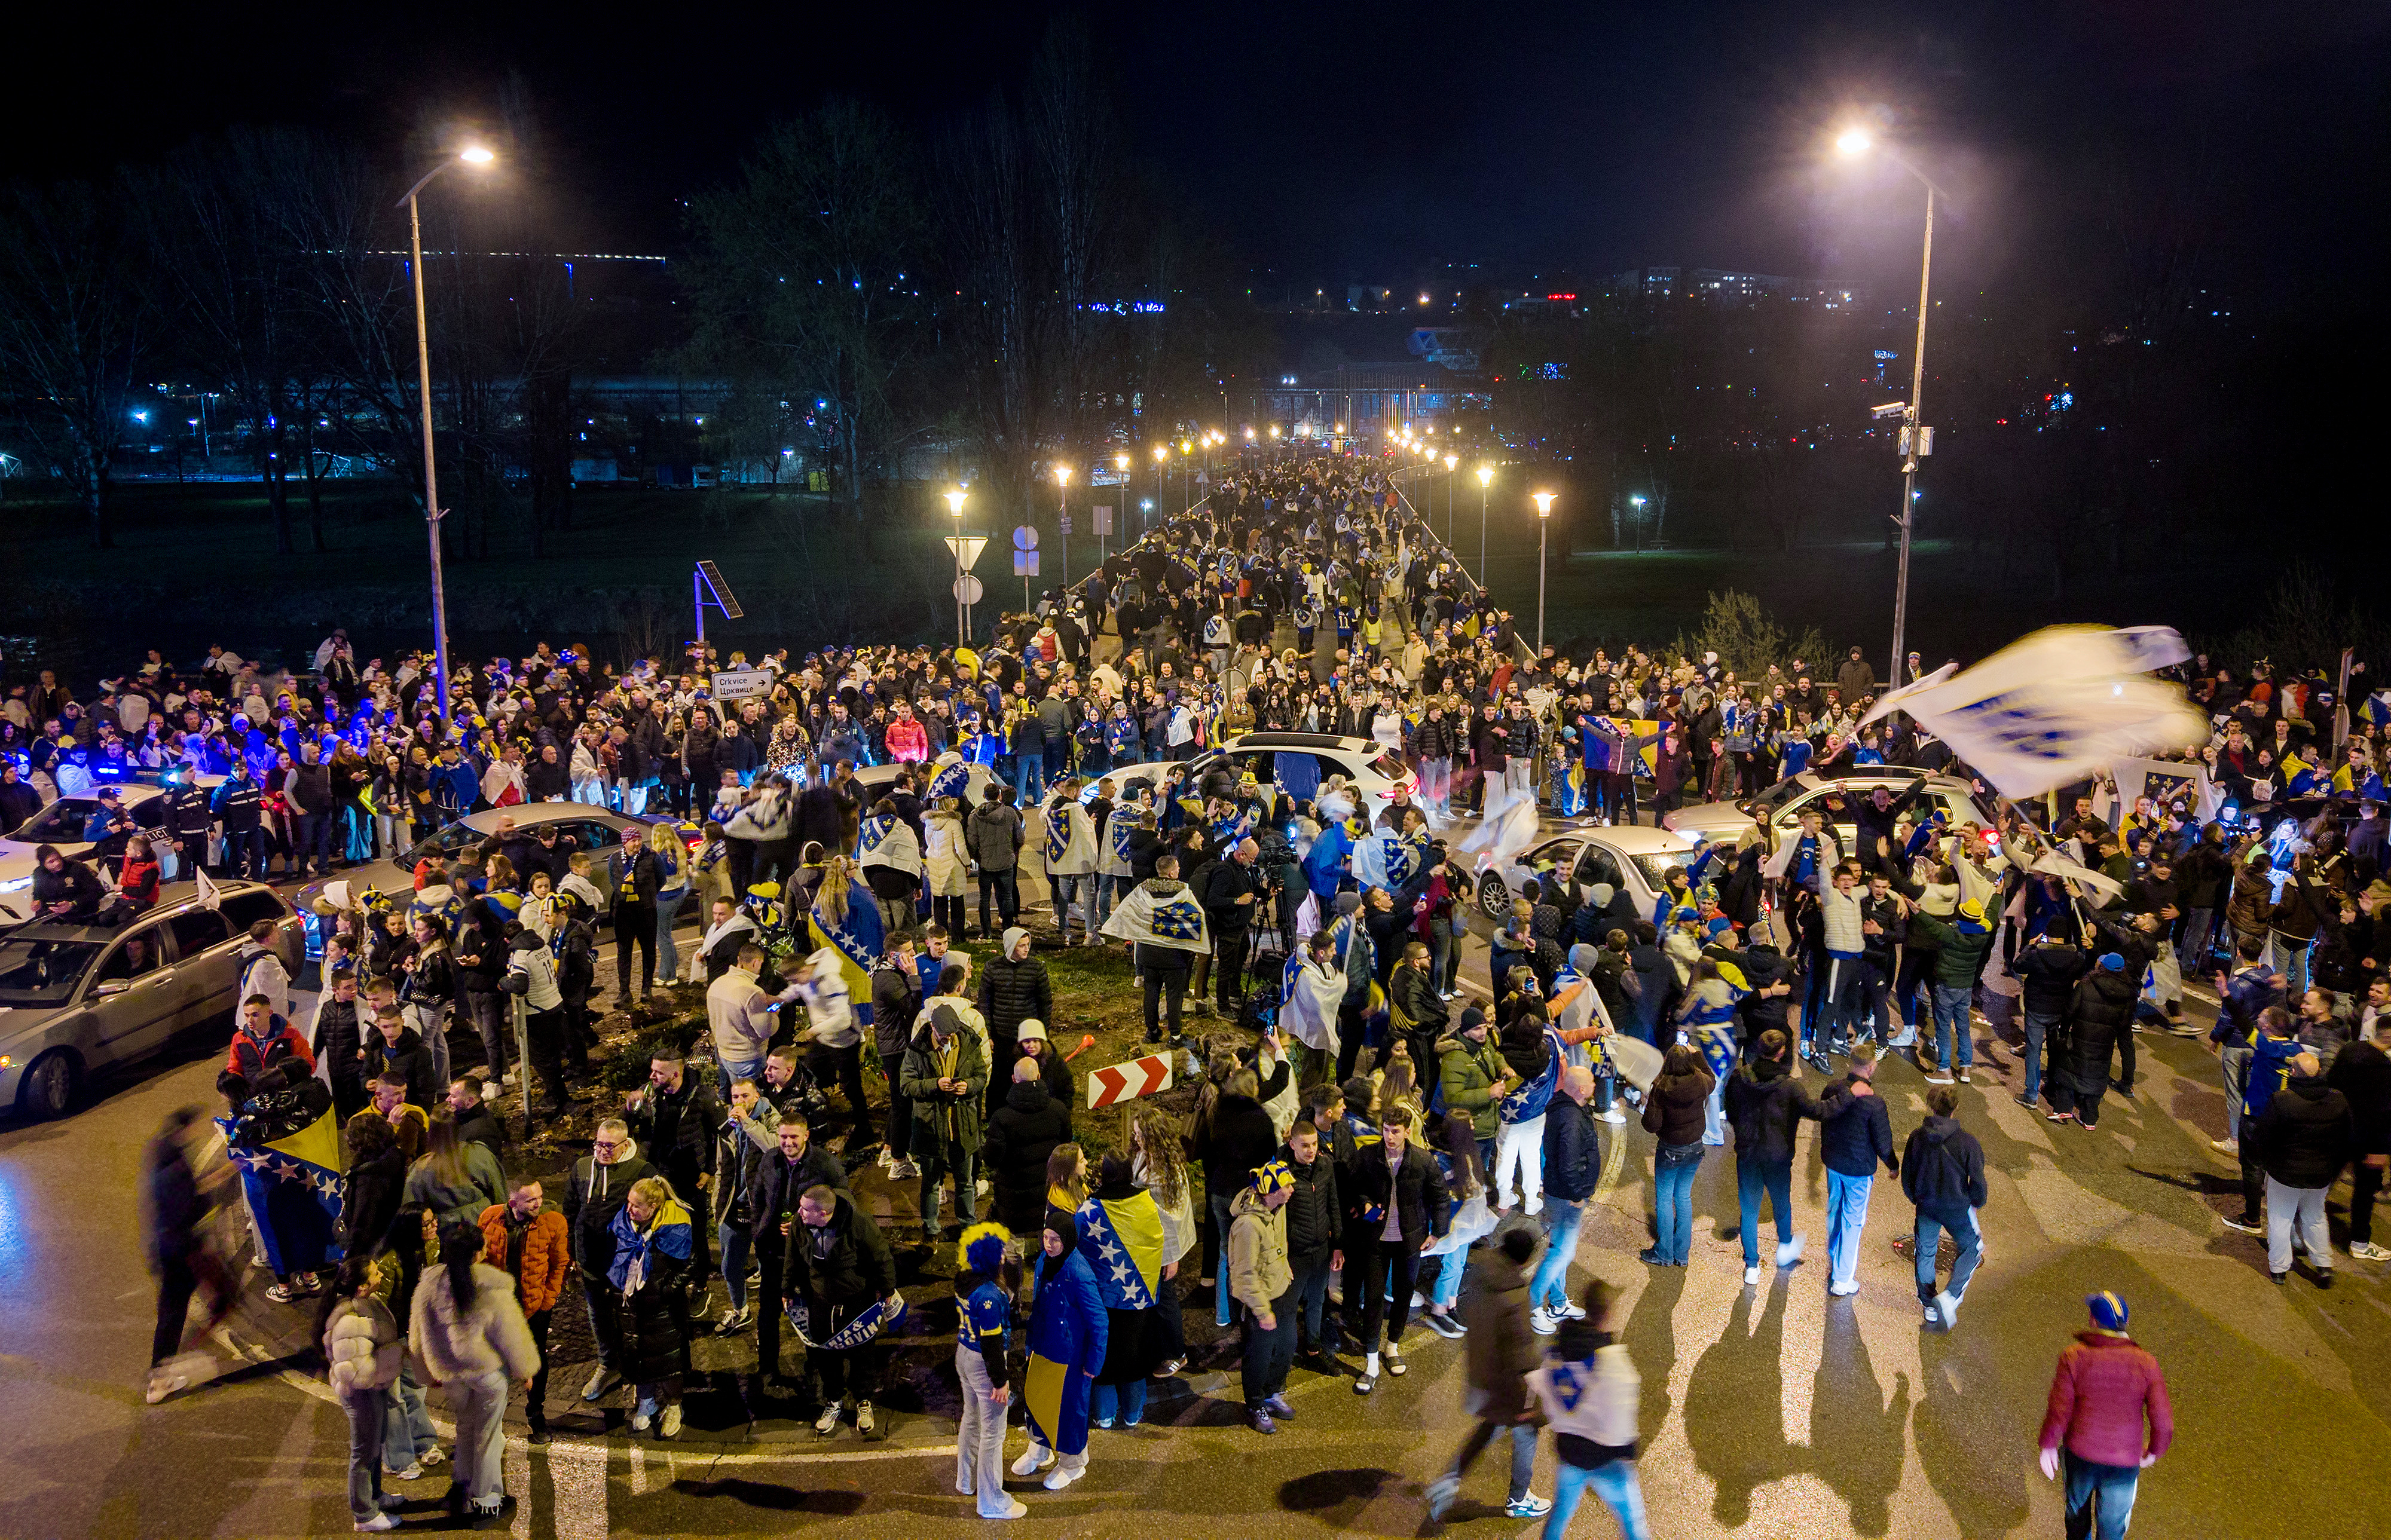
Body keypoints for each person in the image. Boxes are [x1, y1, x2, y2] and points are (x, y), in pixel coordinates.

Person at [409, 1221, 540, 1521]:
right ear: (479, 1252)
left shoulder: (429, 1284)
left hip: (450, 1374)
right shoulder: (492, 1286)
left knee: (465, 1428)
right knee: (490, 1434)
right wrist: (526, 1369)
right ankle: (488, 1497)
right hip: (486, 1374)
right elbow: (510, 1335)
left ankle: (461, 1486)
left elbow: (418, 1335)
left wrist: (426, 1373)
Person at [1426, 1224, 1551, 1523]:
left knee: (1488, 1428)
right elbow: (1524, 1357)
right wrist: (1530, 1402)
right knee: (1527, 1433)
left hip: (1482, 1375)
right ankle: (1519, 1498)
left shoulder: (1481, 1275)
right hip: (1510, 1387)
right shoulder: (1515, 1295)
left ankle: (1449, 1480)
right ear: (1525, 1259)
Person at [2037, 1291, 2173, 1540]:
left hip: (2080, 1455)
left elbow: (2060, 1408)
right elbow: (2163, 1420)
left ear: (2093, 1321)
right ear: (2127, 1324)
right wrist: (2154, 1451)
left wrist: (2048, 1445)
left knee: (2077, 1516)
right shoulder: (2145, 1363)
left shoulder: (2074, 1356)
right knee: (2112, 1526)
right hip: (2123, 1463)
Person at [1342, 1104, 1450, 1395]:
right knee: (1375, 1298)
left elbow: (1441, 1196)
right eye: (1386, 1130)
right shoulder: (1368, 1157)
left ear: (1407, 1131)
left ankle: (1393, 1346)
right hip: (1375, 1240)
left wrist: (1438, 1232)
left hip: (1409, 1240)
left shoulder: (1423, 1161)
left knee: (1403, 1296)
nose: (1389, 1137)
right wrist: (1365, 1202)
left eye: (1395, 1131)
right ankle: (1372, 1361)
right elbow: (1353, 1188)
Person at [1528, 1279, 1649, 1540]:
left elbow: (1544, 1388)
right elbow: (1621, 1422)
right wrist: (1628, 1452)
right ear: (1609, 1313)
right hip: (1607, 1460)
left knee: (1560, 1513)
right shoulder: (1614, 1363)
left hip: (1570, 1453)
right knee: (1632, 1522)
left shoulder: (1557, 1353)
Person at [782, 1181, 897, 1438]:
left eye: (805, 1209)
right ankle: (833, 1401)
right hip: (820, 1301)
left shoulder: (859, 1224)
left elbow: (881, 1257)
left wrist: (887, 1289)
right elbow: (792, 1258)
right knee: (825, 1355)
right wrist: (787, 1290)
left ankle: (863, 1401)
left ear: (823, 1213)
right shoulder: (800, 1225)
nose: (798, 1213)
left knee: (862, 1355)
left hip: (857, 1301)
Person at [145, 1107, 237, 1403]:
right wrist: (208, 1197)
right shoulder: (177, 1169)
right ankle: (164, 1375)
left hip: (166, 1249)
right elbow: (189, 1209)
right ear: (181, 1131)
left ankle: (160, 1377)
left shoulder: (160, 1160)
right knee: (209, 1299)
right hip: (185, 1250)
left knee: (171, 1311)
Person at [1013, 1207, 1108, 1490]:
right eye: (1045, 1237)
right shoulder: (1044, 1261)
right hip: (1043, 1349)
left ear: (1068, 1240)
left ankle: (1072, 1463)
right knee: (1038, 1401)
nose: (1049, 1244)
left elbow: (1099, 1321)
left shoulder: (1079, 1273)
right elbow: (1039, 1308)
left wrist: (1093, 1363)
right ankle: (1039, 1450)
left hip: (1071, 1359)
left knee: (1070, 1412)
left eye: (1056, 1239)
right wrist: (1030, 1344)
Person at [565, 1119, 656, 1403]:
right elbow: (570, 1211)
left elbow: (655, 1211)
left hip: (624, 1259)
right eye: (598, 1144)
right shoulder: (582, 1167)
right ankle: (608, 1364)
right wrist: (570, 1252)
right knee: (598, 1314)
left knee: (633, 1313)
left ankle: (638, 1371)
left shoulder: (641, 1170)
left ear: (625, 1144)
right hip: (589, 1255)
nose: (602, 1151)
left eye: (609, 1146)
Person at [1724, 1028, 1823, 1285]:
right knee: (1782, 1204)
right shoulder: (1790, 1086)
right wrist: (1843, 1098)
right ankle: (1785, 1248)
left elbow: (1732, 1113)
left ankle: (1752, 1266)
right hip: (1778, 1157)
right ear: (1781, 1053)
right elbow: (1814, 1111)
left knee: (1749, 1211)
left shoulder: (1739, 1078)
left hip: (1748, 1153)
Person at [1081, 1151, 1170, 1429]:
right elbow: (1156, 1241)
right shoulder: (1147, 1203)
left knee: (1104, 1359)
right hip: (1139, 1299)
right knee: (1134, 1358)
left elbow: (1080, 1253)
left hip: (1102, 1300)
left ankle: (1104, 1416)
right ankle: (1133, 1414)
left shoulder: (1089, 1212)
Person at [476, 1180, 568, 1445]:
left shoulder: (553, 1223)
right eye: (531, 1200)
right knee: (496, 1361)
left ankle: (536, 1414)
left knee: (537, 1360)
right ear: (513, 1202)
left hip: (535, 1307)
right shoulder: (490, 1217)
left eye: (540, 1196)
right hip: (500, 1307)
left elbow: (559, 1263)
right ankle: (495, 1420)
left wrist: (548, 1300)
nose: (538, 1203)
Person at [2251, 1049, 2353, 1286]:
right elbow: (2347, 1138)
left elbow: (2263, 1137)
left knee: (2280, 1218)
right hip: (2320, 1175)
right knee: (2315, 1217)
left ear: (2294, 1072)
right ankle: (2324, 1265)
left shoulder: (2283, 1101)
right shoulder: (2338, 1100)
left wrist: (2268, 1161)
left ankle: (2279, 1268)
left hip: (2285, 1173)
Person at [322, 1257, 406, 1532]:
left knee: (374, 1446)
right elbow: (354, 1373)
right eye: (375, 1272)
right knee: (363, 1453)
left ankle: (374, 1496)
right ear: (362, 1286)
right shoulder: (350, 1322)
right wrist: (387, 1364)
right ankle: (364, 1515)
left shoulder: (367, 1304)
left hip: (373, 1391)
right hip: (363, 1394)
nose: (381, 1274)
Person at [625, 1052, 720, 1291]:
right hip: (657, 1171)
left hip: (690, 1174)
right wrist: (630, 1108)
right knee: (657, 1223)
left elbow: (717, 1134)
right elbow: (625, 1127)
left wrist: (709, 1169)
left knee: (695, 1229)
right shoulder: (648, 1093)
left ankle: (700, 1285)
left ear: (675, 1074)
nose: (652, 1076)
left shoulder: (702, 1096)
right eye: (652, 1070)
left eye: (658, 1073)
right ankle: (665, 1278)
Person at [609, 1175, 695, 1438]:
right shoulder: (624, 1223)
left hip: (663, 1308)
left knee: (668, 1359)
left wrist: (665, 1289)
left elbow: (690, 1264)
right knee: (637, 1354)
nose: (629, 1209)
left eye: (636, 1205)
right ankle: (646, 1401)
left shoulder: (676, 1226)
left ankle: (673, 1406)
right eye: (628, 1203)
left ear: (654, 1207)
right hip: (631, 1303)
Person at [953, 1222, 1028, 1520]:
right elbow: (992, 1342)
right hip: (985, 1364)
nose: (1003, 1257)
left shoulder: (964, 1278)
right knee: (993, 1436)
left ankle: (966, 1481)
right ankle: (991, 1501)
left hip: (963, 1354)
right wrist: (1001, 1380)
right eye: (1000, 1253)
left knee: (971, 1419)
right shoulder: (989, 1295)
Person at [903, 1000, 991, 1241]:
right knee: (931, 1183)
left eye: (951, 1034)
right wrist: (935, 1085)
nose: (948, 1039)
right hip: (931, 1128)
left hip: (962, 1125)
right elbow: (906, 1085)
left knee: (966, 1182)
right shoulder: (916, 1050)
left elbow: (981, 1076)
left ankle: (967, 1225)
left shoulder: (970, 1043)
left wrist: (969, 1086)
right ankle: (931, 1228)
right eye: (943, 1035)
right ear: (932, 1027)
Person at [1902, 1084, 1988, 1329]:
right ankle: (1950, 1297)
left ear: (1930, 1105)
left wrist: (1915, 1197)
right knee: (1972, 1247)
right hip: (1956, 1208)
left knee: (1926, 1251)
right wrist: (1976, 1201)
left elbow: (1908, 1173)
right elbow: (1978, 1181)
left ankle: (1929, 1303)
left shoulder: (1916, 1137)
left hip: (1927, 1205)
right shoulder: (1968, 1143)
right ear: (1956, 1108)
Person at [1817, 1042, 1898, 1297]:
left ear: (1850, 1062)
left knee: (1834, 1210)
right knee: (1853, 1220)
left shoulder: (1832, 1089)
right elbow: (1883, 1143)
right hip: (1859, 1171)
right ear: (1872, 1068)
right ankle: (1842, 1279)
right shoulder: (1875, 1104)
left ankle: (1834, 1254)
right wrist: (1893, 1166)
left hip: (1833, 1162)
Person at [1228, 1159, 1299, 1432]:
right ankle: (1255, 1403)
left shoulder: (1277, 1207)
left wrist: (1286, 1268)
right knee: (1260, 1353)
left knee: (1286, 1345)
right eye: (1286, 1185)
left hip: (1281, 1290)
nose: (1292, 1188)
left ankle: (1272, 1393)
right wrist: (1262, 1311)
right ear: (1269, 1191)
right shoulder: (1247, 1227)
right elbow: (1244, 1275)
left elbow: (1279, 1243)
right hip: (1263, 1301)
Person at [1532, 1066, 1600, 1325]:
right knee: (1562, 1253)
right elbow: (1569, 1162)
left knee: (1559, 1248)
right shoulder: (1572, 1119)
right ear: (1581, 1089)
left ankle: (1558, 1304)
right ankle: (1533, 1304)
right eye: (1592, 1082)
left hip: (1561, 1193)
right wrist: (1578, 1194)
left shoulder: (1568, 1110)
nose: (1595, 1085)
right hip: (1566, 1197)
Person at [1639, 1045, 1714, 1269]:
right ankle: (1681, 1254)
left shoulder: (1662, 1088)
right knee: (1683, 1197)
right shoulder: (1701, 1081)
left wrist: (1647, 1104)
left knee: (1664, 1199)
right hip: (1696, 1148)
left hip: (1671, 1150)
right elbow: (1712, 1078)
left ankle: (1664, 1253)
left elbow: (1651, 1125)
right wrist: (1699, 1055)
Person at [2326, 1012, 2391, 1263]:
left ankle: (2301, 1224)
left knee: (2325, 1180)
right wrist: (2382, 1149)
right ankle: (2360, 1243)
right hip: (2367, 1140)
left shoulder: (2351, 1050)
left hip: (2340, 1130)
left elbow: (2332, 1085)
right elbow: (2384, 1112)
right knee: (2364, 1193)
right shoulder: (2383, 1068)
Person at [986, 1055, 1074, 1236]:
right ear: (1039, 1077)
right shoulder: (1058, 1110)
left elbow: (992, 1159)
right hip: (1050, 1197)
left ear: (1013, 1080)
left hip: (1013, 1205)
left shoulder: (1002, 1118)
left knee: (1014, 1252)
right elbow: (1066, 1147)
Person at [1280, 1119, 1344, 1368]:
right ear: (1292, 1144)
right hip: (1295, 1253)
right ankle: (1284, 1355)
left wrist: (1338, 1245)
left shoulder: (1325, 1165)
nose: (1311, 1150)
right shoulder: (1282, 1174)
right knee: (1288, 1305)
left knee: (1317, 1301)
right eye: (1305, 1145)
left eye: (1315, 1144)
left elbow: (1333, 1204)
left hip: (1321, 1249)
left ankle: (1313, 1350)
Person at [708, 943, 801, 1099]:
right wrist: (774, 1014)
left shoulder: (717, 984)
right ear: (756, 963)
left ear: (739, 959)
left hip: (724, 1053)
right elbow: (765, 1030)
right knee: (751, 1101)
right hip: (747, 1059)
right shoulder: (752, 992)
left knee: (736, 1095)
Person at [404, 1106, 507, 1228]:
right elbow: (501, 1194)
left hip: (446, 1234)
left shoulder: (420, 1170)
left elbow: (412, 1213)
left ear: (431, 1133)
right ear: (458, 1129)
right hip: (485, 1226)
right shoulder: (481, 1154)